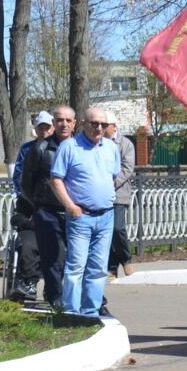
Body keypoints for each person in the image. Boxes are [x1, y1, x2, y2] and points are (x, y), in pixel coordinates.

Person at [48, 107, 122, 317]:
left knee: (98, 268)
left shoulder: (110, 148)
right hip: (81, 217)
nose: (98, 128)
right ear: (83, 123)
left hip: (106, 215)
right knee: (76, 266)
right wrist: (70, 206)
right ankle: (71, 312)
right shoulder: (69, 147)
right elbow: (55, 179)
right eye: (94, 123)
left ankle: (90, 312)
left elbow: (113, 176)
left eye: (103, 125)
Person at [20, 106, 75, 306]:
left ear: (74, 123)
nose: (64, 124)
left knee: (77, 258)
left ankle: (78, 298)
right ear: (54, 124)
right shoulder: (40, 149)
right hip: (48, 211)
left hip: (76, 211)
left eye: (68, 121)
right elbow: (26, 182)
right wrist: (40, 204)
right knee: (53, 257)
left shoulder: (80, 147)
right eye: (60, 120)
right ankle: (55, 299)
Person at [7, 111, 55, 301]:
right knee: (28, 244)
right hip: (30, 206)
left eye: (47, 127)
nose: (44, 130)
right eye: (40, 127)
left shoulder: (62, 148)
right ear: (35, 129)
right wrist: (27, 198)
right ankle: (28, 282)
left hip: (54, 206)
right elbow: (19, 176)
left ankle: (53, 287)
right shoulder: (27, 149)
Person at [104, 110, 136, 279]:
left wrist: (109, 184)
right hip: (101, 196)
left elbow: (127, 169)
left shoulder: (125, 144)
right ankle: (112, 267)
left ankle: (126, 258)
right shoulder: (98, 143)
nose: (101, 128)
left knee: (117, 228)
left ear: (114, 126)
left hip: (118, 193)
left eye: (105, 125)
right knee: (106, 230)